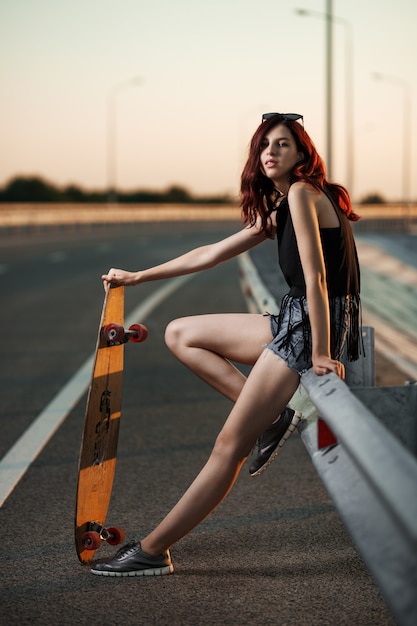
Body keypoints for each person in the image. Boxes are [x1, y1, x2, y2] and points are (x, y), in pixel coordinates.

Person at [91, 112, 361, 577]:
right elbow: (210, 254)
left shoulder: (301, 193)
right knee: (181, 332)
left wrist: (320, 351)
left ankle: (153, 550)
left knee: (228, 446)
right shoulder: (283, 207)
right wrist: (136, 277)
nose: (271, 152)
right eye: (265, 146)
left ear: (302, 155)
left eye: (283, 145)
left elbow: (317, 276)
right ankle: (276, 414)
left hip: (312, 326)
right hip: (295, 318)